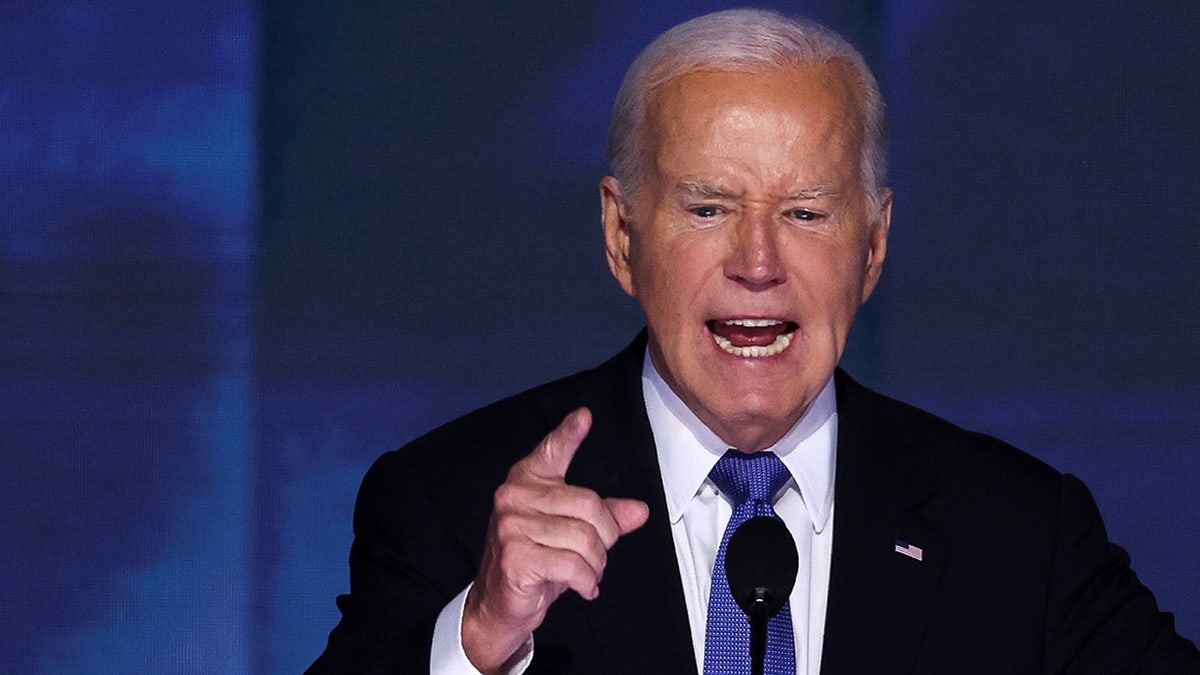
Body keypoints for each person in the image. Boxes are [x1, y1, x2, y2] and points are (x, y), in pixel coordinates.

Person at [310, 8, 1200, 674]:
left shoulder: (1019, 536)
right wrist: (480, 639)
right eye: (708, 209)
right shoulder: (448, 503)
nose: (759, 261)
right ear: (622, 236)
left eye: (806, 213)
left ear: (875, 246)